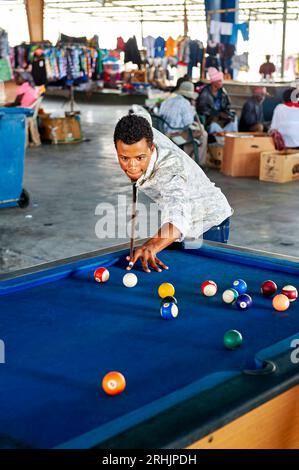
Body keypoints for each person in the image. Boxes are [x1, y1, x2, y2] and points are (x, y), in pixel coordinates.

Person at [114, 113, 233, 273]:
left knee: (199, 281)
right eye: (124, 158)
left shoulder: (170, 169)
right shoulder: (137, 132)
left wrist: (153, 245)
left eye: (140, 157)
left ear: (152, 148)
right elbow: (142, 114)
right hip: (183, 226)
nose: (132, 166)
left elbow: (178, 214)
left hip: (208, 222)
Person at [159, 80, 208, 164]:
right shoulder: (185, 103)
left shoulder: (166, 100)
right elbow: (188, 123)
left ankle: (187, 160)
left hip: (163, 133)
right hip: (174, 135)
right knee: (203, 134)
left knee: (194, 132)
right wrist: (192, 109)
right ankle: (195, 164)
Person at [196, 67, 238, 136]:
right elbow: (202, 109)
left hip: (221, 120)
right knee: (214, 125)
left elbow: (227, 105)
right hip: (210, 121)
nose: (221, 83)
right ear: (213, 82)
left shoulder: (222, 92)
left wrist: (228, 115)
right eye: (219, 81)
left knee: (234, 120)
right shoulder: (205, 92)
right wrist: (218, 114)